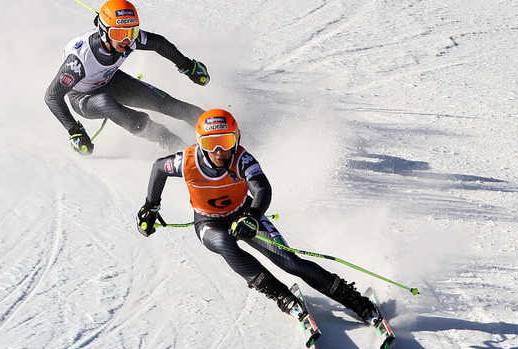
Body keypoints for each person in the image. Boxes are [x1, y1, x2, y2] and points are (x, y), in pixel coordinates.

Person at [136, 108, 379, 324]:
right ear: (201, 144)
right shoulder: (188, 161)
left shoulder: (243, 159)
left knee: (289, 261)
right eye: (212, 144)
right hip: (209, 222)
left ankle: (352, 299)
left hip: (245, 214)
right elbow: (159, 167)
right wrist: (151, 206)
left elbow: (262, 188)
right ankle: (281, 295)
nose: (220, 151)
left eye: (226, 141)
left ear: (236, 138)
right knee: (224, 244)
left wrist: (252, 215)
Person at [45, 0, 210, 155]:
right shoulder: (80, 59)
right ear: (103, 33)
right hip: (82, 98)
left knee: (167, 104)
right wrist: (74, 130)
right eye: (118, 34)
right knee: (104, 102)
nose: (125, 40)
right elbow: (52, 96)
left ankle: (214, 128)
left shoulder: (128, 38)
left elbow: (159, 43)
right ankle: (168, 140)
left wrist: (187, 65)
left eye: (132, 32)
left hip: (110, 80)